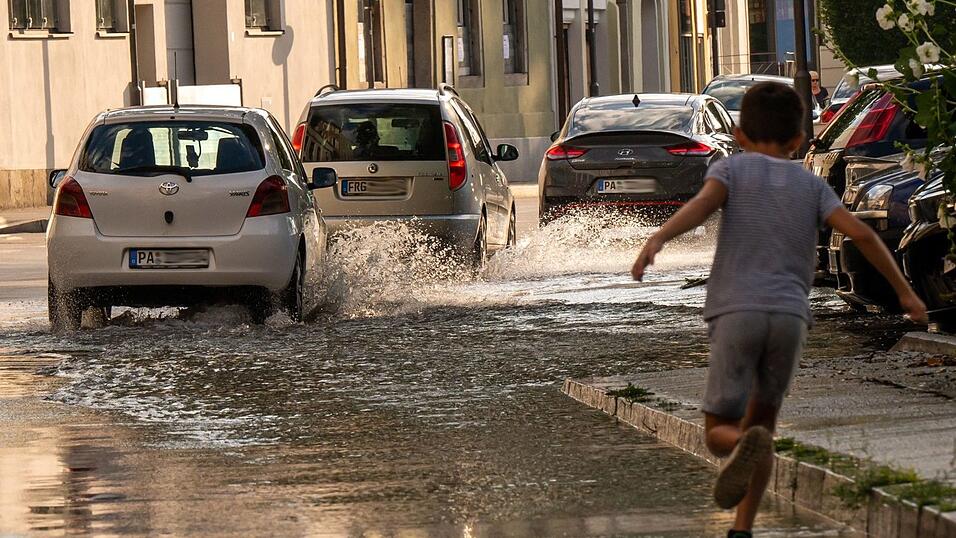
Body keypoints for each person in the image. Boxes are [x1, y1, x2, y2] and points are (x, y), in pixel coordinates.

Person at [630, 82, 927, 538]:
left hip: (737, 314)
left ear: (740, 135)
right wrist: (906, 294)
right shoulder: (811, 185)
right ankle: (742, 528)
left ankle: (742, 448)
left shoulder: (731, 171)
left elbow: (701, 207)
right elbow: (863, 236)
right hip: (789, 319)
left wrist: (656, 240)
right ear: (799, 140)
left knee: (720, 431)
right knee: (763, 426)